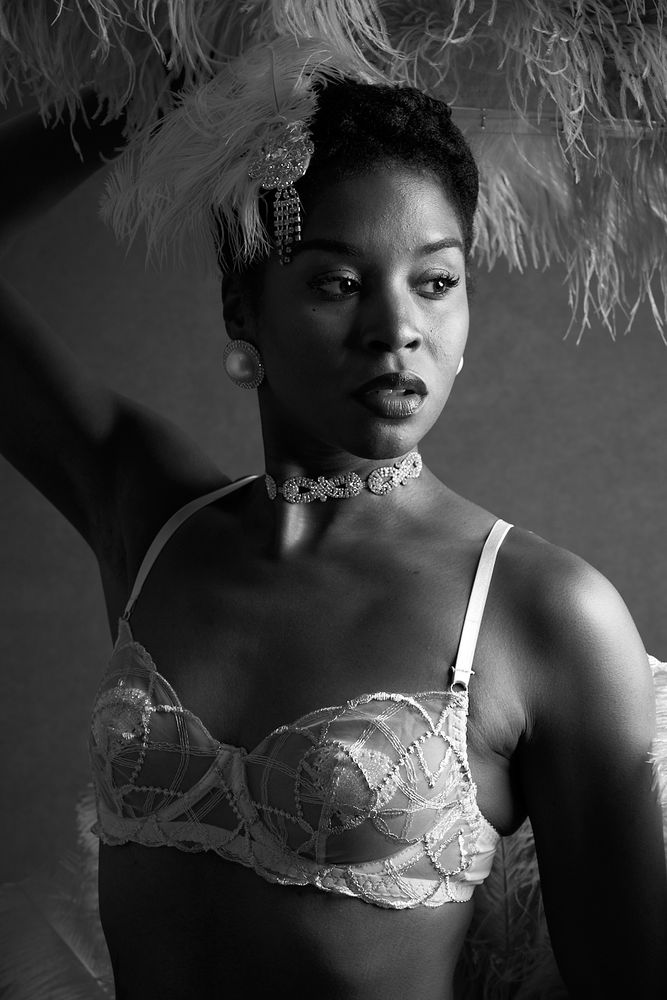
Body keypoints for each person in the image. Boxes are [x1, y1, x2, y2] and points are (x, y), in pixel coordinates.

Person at [1, 37, 666, 1000]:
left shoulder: (543, 614)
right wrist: (148, 86)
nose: (396, 327)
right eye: (337, 282)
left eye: (435, 281)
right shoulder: (153, 524)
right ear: (244, 308)